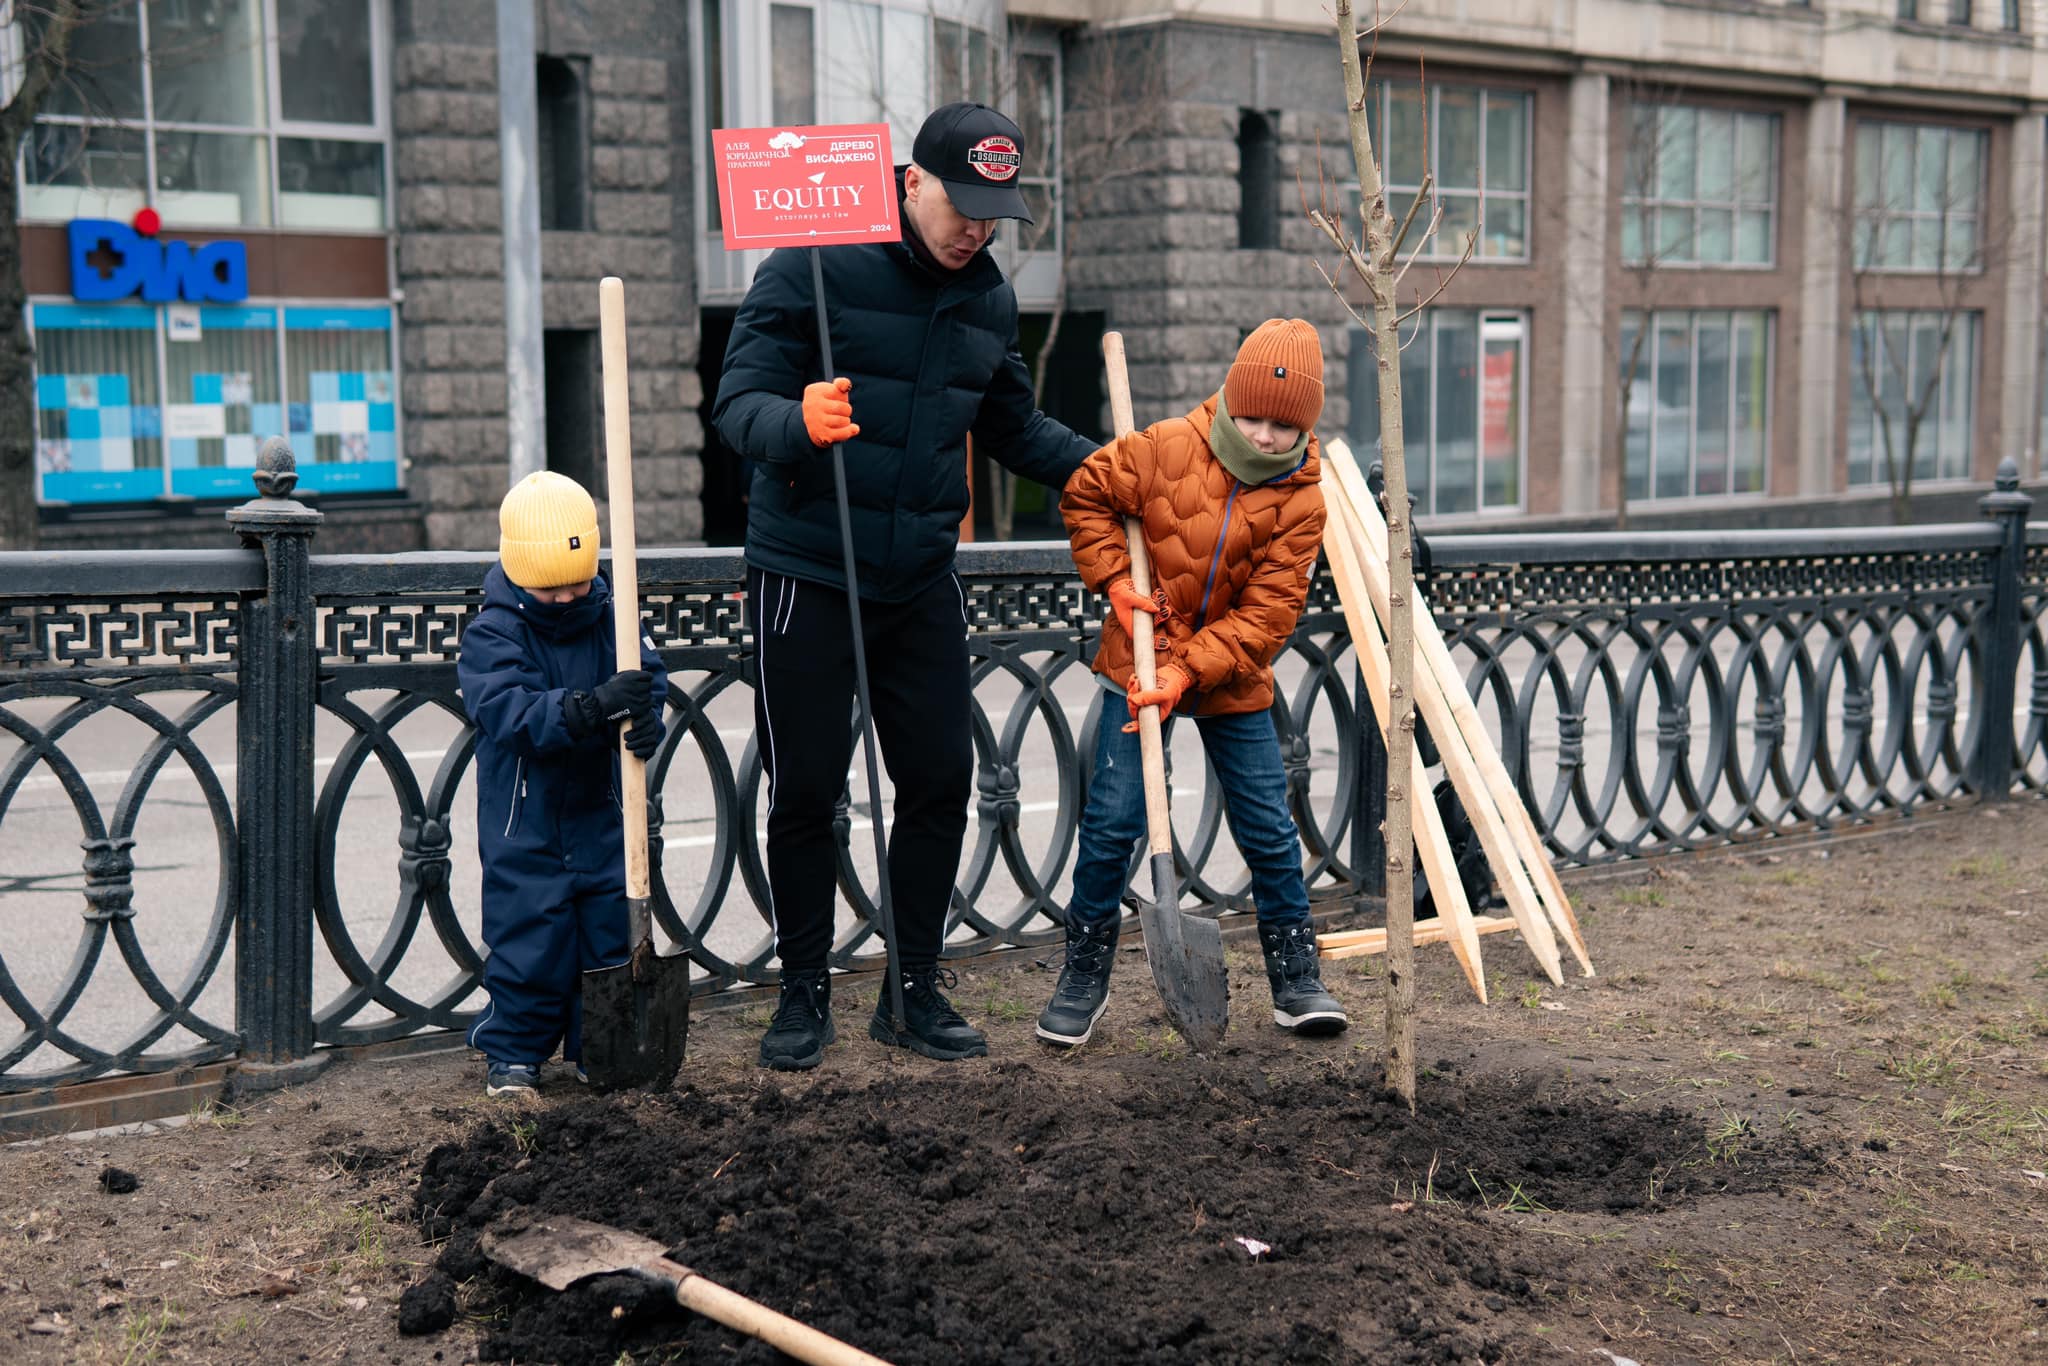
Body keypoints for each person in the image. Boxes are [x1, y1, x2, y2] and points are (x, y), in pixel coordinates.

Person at [713, 102, 1097, 1071]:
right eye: (961, 204)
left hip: (918, 572)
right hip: (806, 565)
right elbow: (736, 404)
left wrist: (1114, 469)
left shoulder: (987, 302)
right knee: (804, 788)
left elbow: (1013, 428)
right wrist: (795, 419)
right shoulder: (812, 261)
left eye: (993, 213)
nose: (975, 227)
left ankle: (911, 992)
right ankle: (801, 993)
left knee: (937, 779)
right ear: (909, 181)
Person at [1037, 319, 1350, 1048]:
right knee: (1112, 823)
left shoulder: (1304, 500)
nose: (1267, 436)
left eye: (1285, 424)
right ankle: (1083, 975)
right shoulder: (1166, 447)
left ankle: (1296, 977)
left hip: (1231, 672)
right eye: (1253, 416)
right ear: (1230, 399)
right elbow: (1085, 496)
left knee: (1269, 829)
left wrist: (1188, 669)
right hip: (1138, 660)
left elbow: (1269, 617)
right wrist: (1114, 581)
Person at [457, 471, 669, 1096]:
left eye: (581, 583)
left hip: (603, 814)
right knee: (531, 938)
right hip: (527, 821)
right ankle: (515, 1053)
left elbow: (645, 678)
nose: (571, 597)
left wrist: (643, 718)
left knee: (608, 935)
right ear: (521, 574)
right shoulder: (494, 633)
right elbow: (510, 712)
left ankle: (596, 1047)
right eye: (553, 589)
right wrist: (592, 706)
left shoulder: (612, 614)